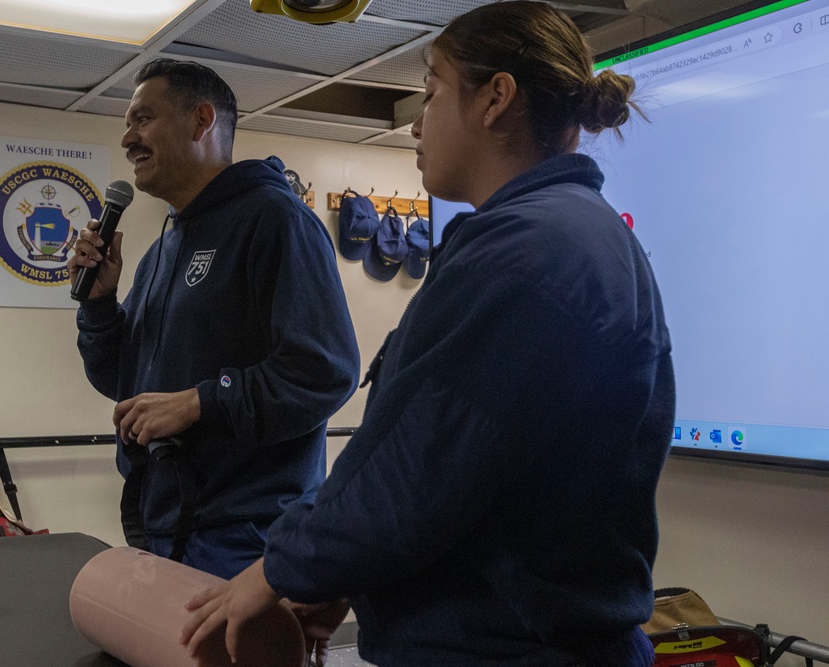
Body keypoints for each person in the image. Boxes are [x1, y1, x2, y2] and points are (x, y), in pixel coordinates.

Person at [179, 3, 675, 667]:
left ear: (496, 97)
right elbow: (463, 475)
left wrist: (279, 569)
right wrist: (345, 574)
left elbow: (417, 462)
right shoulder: (559, 235)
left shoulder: (531, 251)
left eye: (433, 93)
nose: (415, 122)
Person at [68, 58, 360, 582]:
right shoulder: (162, 250)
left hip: (245, 537)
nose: (127, 138)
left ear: (201, 121)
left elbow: (323, 371)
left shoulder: (276, 220)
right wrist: (99, 304)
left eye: (142, 119)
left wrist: (202, 400)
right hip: (166, 525)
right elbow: (122, 382)